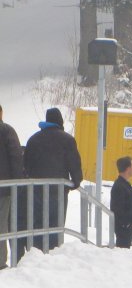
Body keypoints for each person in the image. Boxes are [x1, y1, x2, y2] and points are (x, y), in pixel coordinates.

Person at [24, 107, 82, 251]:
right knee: (55, 226)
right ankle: (53, 255)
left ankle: (36, 254)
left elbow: (25, 166)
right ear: (60, 121)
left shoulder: (33, 139)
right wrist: (74, 183)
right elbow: (74, 165)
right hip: (58, 192)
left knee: (37, 225)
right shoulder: (68, 140)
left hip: (36, 191)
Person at [0, 104, 24, 268]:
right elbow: (16, 158)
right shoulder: (7, 131)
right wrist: (18, 184)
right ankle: (2, 261)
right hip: (5, 187)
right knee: (4, 224)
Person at [110, 156, 132, 249]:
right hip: (123, 227)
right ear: (128, 168)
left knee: (125, 248)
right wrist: (125, 224)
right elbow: (118, 208)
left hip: (127, 226)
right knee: (122, 249)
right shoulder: (119, 186)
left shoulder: (124, 184)